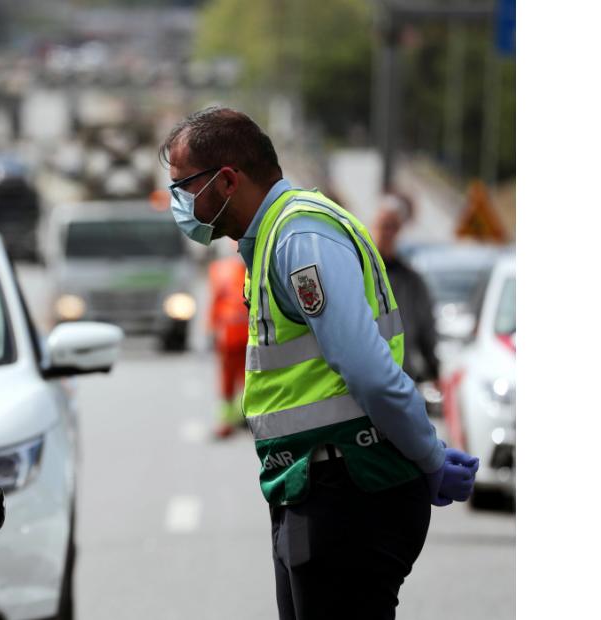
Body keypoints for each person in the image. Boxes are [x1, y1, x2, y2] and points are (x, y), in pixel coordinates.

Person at [158, 106, 479, 619]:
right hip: (318, 488)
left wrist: (430, 456)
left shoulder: (299, 237)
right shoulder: (268, 241)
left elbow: (368, 370)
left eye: (183, 187)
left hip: (348, 492)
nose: (178, 203)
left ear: (225, 181)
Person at [371, 194, 441, 383]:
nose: (388, 232)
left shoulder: (411, 280)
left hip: (402, 374)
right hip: (366, 374)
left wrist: (433, 369)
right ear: (373, 226)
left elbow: (426, 325)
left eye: (393, 227)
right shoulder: (360, 274)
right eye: (384, 225)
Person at [207, 242, 250, 438]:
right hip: (232, 336)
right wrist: (211, 330)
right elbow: (216, 302)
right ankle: (230, 420)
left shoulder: (249, 268)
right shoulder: (221, 270)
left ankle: (241, 418)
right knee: (231, 380)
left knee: (246, 379)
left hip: (246, 336)